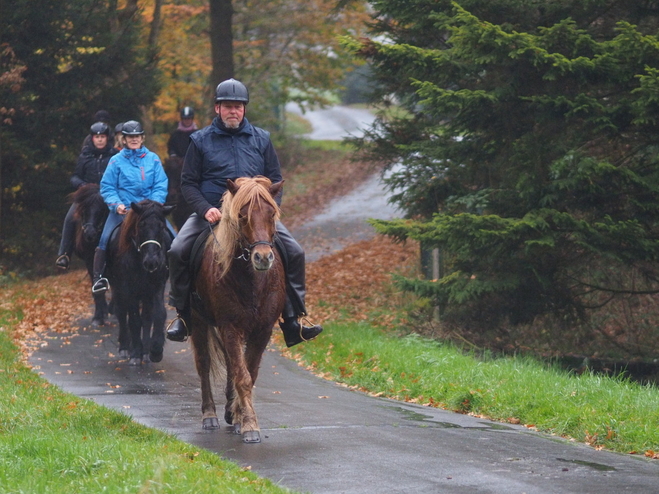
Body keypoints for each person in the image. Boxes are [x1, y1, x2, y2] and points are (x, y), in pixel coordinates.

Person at [166, 78, 323, 347]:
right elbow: (188, 183)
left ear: (244, 109)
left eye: (238, 107)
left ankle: (294, 318)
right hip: (214, 212)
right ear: (217, 108)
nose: (233, 111)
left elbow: (275, 179)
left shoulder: (261, 139)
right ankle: (183, 316)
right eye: (228, 106)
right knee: (178, 250)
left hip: (254, 216)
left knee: (294, 252)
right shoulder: (200, 140)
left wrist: (269, 212)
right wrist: (206, 210)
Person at [91, 120, 172, 293]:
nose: (134, 139)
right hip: (124, 210)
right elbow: (107, 186)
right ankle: (100, 278)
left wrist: (154, 205)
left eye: (137, 136)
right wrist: (116, 205)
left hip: (150, 212)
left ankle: (179, 278)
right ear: (124, 139)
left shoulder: (153, 159)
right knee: (105, 240)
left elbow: (161, 183)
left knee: (174, 238)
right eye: (130, 137)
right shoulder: (116, 161)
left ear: (142, 138)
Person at [55, 122, 119, 270]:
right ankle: (64, 254)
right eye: (97, 137)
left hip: (108, 195)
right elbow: (75, 177)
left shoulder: (115, 155)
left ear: (107, 138)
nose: (100, 140)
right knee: (70, 217)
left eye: (102, 137)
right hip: (88, 197)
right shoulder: (85, 156)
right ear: (92, 138)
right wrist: (82, 185)